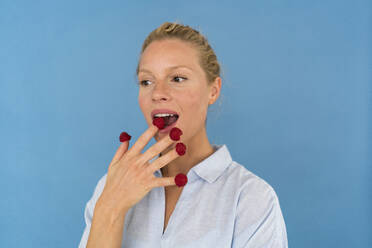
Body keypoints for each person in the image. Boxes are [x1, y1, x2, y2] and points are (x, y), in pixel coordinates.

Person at [78, 21, 288, 248]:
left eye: (177, 78)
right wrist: (110, 207)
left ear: (213, 90)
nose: (158, 93)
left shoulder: (251, 198)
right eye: (146, 81)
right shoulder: (111, 187)